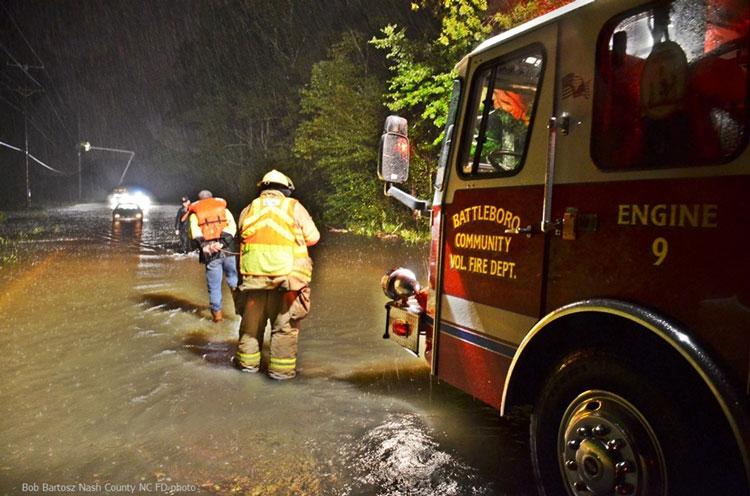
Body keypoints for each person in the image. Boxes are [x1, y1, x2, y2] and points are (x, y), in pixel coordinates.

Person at [233, 170, 319, 380]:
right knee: (284, 330)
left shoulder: (249, 208)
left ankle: (247, 370)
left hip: (253, 283)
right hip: (287, 284)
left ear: (262, 188)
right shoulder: (293, 207)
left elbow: (240, 234)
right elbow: (313, 237)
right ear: (285, 190)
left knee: (250, 329)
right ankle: (280, 375)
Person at [183, 189, 239, 322]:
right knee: (233, 281)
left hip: (210, 254)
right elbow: (232, 227)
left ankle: (218, 321)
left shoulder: (195, 213)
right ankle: (240, 312)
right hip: (228, 251)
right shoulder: (224, 209)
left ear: (200, 200)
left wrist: (205, 246)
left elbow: (193, 234)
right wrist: (222, 243)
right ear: (212, 198)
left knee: (214, 287)